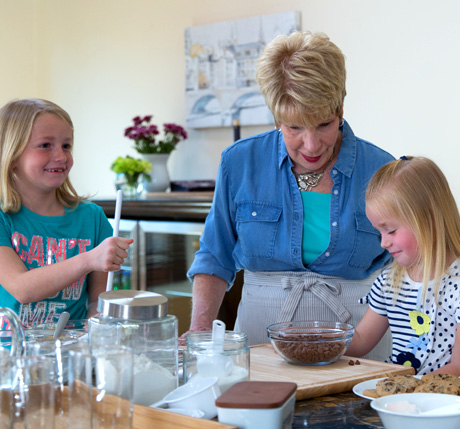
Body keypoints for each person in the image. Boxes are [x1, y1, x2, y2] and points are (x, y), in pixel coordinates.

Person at [186, 31, 395, 359]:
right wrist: (199, 330)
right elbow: (215, 256)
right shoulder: (239, 162)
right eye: (295, 127)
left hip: (361, 345)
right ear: (275, 116)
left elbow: (412, 268)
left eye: (324, 124)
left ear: (340, 106)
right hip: (259, 340)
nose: (311, 146)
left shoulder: (383, 169)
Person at [0, 98, 133, 327]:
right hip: (11, 358)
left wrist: (95, 336)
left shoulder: (93, 218)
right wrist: (90, 259)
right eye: (45, 145)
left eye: (66, 146)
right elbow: (22, 288)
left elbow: (96, 303)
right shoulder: (4, 219)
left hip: (72, 356)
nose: (61, 156)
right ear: (12, 157)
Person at [346, 156, 460, 375]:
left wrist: (411, 391)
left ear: (430, 221)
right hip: (400, 397)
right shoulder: (390, 282)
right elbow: (360, 341)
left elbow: (458, 368)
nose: (383, 242)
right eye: (379, 232)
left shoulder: (456, 286)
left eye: (391, 231)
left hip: (440, 402)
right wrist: (315, 345)